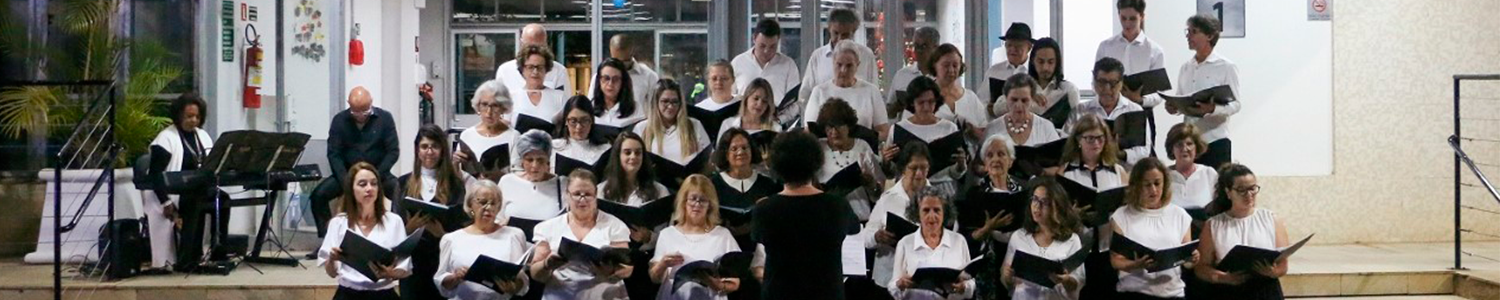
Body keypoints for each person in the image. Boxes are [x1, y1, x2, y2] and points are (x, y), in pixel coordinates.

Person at [752, 131, 860, 300]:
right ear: (815, 163)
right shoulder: (837, 205)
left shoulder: (765, 209)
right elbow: (854, 229)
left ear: (777, 165)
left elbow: (758, 236)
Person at [311, 86, 402, 251]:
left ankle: (394, 238)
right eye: (355, 112)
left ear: (371, 103)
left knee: (398, 190)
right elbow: (334, 154)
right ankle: (326, 240)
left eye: (365, 112)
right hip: (347, 174)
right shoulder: (339, 120)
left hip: (378, 173)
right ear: (349, 105)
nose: (360, 116)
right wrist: (346, 180)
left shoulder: (385, 118)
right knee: (318, 195)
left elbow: (393, 151)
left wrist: (375, 178)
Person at [1147, 14, 1242, 170]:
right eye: (1188, 31)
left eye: (1194, 32)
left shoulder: (1226, 66)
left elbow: (1236, 105)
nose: (1188, 36)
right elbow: (1182, 98)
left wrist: (1213, 109)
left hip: (1215, 140)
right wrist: (1174, 107)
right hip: (1190, 143)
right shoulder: (1186, 67)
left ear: (1210, 36)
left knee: (1216, 189)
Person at [142, 93, 224, 273]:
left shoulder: (202, 136)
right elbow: (155, 175)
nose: (193, 120)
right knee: (195, 201)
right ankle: (187, 260)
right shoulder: (165, 139)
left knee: (223, 199)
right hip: (171, 193)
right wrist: (166, 201)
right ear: (178, 116)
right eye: (189, 116)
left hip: (196, 188)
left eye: (197, 116)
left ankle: (219, 252)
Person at [529, 169, 634, 300]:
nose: (582, 199)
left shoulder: (614, 225)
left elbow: (627, 269)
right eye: (577, 194)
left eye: (588, 194)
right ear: (567, 195)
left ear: (596, 195)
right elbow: (535, 273)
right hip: (561, 294)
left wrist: (611, 271)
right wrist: (547, 264)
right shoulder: (548, 227)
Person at [396, 125, 470, 300]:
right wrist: (410, 228)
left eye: (435, 146)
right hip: (412, 263)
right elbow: (394, 229)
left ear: (442, 150)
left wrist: (442, 234)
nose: (429, 151)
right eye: (424, 146)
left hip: (442, 262)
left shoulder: (455, 185)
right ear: (417, 150)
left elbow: (461, 231)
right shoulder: (403, 183)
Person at [1193, 164, 1287, 300]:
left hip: (1265, 290)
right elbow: (1201, 268)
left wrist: (1273, 272)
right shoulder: (1213, 225)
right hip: (1229, 291)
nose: (1249, 195)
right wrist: (1223, 277)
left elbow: (1283, 264)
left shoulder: (1271, 219)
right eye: (1241, 190)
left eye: (1252, 189)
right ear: (1228, 192)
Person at [319, 162, 412, 300]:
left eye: (374, 184)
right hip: (348, 294)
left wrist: (389, 273)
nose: (369, 188)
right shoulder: (338, 223)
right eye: (362, 184)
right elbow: (332, 273)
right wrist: (332, 259)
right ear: (351, 189)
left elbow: (405, 270)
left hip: (383, 294)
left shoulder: (393, 221)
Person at [1110, 158, 1198, 300]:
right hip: (1135, 293)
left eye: (1157, 183)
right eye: (1147, 185)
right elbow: (1116, 261)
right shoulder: (1122, 215)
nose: (1154, 190)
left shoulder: (1179, 214)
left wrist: (1192, 259)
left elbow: (1186, 260)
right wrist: (1136, 264)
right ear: (1137, 186)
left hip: (1172, 293)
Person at [433, 180, 533, 300]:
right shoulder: (452, 239)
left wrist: (512, 286)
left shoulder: (514, 235)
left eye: (494, 203)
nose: (488, 208)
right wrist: (456, 277)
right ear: (470, 205)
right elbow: (441, 281)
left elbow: (521, 280)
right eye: (483, 202)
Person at [650, 175, 744, 299]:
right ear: (684, 201)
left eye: (703, 200)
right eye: (693, 199)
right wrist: (663, 264)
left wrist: (718, 285)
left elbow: (735, 282)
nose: (697, 204)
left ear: (710, 205)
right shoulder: (668, 234)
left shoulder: (722, 235)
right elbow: (655, 278)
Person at [1097, 0, 1168, 156]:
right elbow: (1097, 80)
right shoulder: (1106, 46)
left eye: (1132, 18)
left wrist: (1140, 100)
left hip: (1140, 114)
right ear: (1118, 15)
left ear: (1142, 17)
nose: (1127, 23)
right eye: (1123, 18)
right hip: (1109, 111)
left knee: (1141, 161)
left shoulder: (1154, 50)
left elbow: (1159, 93)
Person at [1000, 176, 1087, 300]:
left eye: (1044, 202)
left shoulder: (1072, 240)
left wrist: (1065, 280)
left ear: (1057, 206)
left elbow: (1078, 282)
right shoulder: (1019, 237)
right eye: (1034, 199)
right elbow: (1006, 280)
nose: (1037, 206)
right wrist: (1007, 276)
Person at [861, 142, 934, 288]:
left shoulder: (937, 199)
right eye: (913, 168)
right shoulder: (888, 198)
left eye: (923, 168)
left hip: (922, 278)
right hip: (888, 275)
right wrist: (877, 236)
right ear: (903, 169)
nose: (919, 174)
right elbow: (865, 237)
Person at [888, 187, 976, 300]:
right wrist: (900, 284)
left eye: (937, 210)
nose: (932, 216)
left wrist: (964, 287)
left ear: (945, 212)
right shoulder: (905, 243)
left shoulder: (959, 241)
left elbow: (970, 283)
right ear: (917, 213)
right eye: (926, 210)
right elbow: (893, 287)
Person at [964, 135, 1024, 300]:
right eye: (990, 155)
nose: (996, 159)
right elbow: (965, 239)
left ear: (1011, 161)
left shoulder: (1024, 191)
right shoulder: (974, 195)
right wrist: (987, 229)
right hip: (988, 259)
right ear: (984, 164)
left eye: (1001, 154)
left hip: (1019, 257)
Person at [1069, 57, 1149, 168]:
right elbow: (1067, 143)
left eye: (1113, 83)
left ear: (1121, 84)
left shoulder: (1134, 110)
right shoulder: (1081, 111)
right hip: (1087, 170)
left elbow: (1144, 150)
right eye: (1102, 82)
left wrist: (1121, 154)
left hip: (1125, 172)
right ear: (1094, 81)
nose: (1107, 89)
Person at [633, 79, 712, 190]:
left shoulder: (694, 125)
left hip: (688, 189)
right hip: (654, 190)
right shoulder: (642, 128)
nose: (670, 106)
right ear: (656, 103)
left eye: (675, 102)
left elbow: (709, 160)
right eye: (665, 101)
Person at [803, 40, 892, 139]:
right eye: (839, 65)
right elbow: (809, 131)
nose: (843, 70)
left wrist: (866, 139)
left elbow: (884, 131)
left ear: (857, 65)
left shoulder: (871, 91)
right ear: (833, 62)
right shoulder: (819, 91)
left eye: (849, 66)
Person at [710, 129, 781, 250]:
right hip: (723, 248)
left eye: (745, 148)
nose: (740, 152)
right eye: (734, 149)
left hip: (761, 248)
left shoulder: (768, 184)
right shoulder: (713, 185)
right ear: (726, 154)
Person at [813, 99, 884, 221]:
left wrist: (871, 184)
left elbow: (878, 194)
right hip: (827, 218)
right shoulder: (817, 147)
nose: (834, 132)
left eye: (839, 125)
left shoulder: (862, 146)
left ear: (849, 126)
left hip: (860, 218)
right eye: (830, 127)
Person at [799, 8, 878, 103]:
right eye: (835, 33)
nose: (839, 39)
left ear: (854, 31)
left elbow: (874, 93)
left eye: (845, 35)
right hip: (824, 115)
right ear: (829, 28)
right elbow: (805, 94)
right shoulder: (817, 57)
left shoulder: (866, 55)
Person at [498, 130, 567, 230]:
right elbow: (497, 218)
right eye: (529, 160)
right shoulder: (507, 181)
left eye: (540, 160)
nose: (535, 165)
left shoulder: (561, 184)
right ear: (522, 161)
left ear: (548, 160)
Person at [731, 19, 801, 110]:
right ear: (754, 38)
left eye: (772, 47)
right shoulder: (738, 63)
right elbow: (729, 97)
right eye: (762, 46)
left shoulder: (788, 65)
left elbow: (795, 102)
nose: (766, 51)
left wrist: (780, 119)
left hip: (777, 120)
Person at [457, 80, 518, 180]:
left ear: (503, 108)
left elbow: (518, 175)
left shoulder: (513, 137)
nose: (489, 112)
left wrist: (498, 175)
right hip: (472, 191)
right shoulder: (467, 135)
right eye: (484, 105)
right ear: (478, 106)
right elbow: (459, 175)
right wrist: (455, 163)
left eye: (495, 106)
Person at [985, 74, 1062, 147]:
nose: (1019, 105)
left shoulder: (1046, 127)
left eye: (1024, 100)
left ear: (1032, 100)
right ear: (1006, 99)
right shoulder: (993, 128)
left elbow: (1057, 157)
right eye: (1014, 100)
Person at [510, 44, 570, 133]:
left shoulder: (560, 97)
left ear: (546, 69)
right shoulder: (511, 98)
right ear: (522, 69)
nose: (535, 72)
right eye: (530, 67)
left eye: (539, 67)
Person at [496, 24, 572, 94]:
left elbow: (565, 102)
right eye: (529, 46)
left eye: (538, 47)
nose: (533, 51)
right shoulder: (505, 70)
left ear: (545, 44)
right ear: (521, 43)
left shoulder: (558, 71)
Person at [588, 34, 660, 108]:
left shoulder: (649, 76)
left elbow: (655, 108)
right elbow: (591, 107)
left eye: (624, 62)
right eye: (615, 61)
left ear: (632, 52)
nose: (619, 66)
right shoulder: (600, 77)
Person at [1165, 123, 1216, 222]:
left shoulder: (1209, 173)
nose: (1185, 149)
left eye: (1189, 144)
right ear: (1172, 149)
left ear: (1197, 147)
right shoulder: (1163, 176)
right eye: (1179, 144)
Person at [1026, 38, 1081, 130]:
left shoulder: (1069, 90)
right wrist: (1027, 96)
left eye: (1050, 62)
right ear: (1032, 61)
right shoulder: (1022, 88)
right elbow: (998, 109)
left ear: (1057, 63)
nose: (1045, 67)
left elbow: (1076, 125)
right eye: (1041, 62)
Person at [553, 95, 613, 176]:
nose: (579, 127)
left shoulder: (605, 149)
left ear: (591, 121)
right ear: (566, 121)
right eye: (573, 121)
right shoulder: (554, 147)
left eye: (584, 121)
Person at [986, 22, 1034, 110]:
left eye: (1018, 46)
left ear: (1029, 47)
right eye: (1009, 45)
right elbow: (982, 100)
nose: (1012, 50)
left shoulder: (1034, 72)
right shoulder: (994, 71)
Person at [888, 27, 940, 107]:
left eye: (923, 46)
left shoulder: (946, 76)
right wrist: (898, 105)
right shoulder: (901, 75)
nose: (918, 51)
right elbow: (889, 112)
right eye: (916, 46)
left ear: (935, 48)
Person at [592, 58, 648, 130]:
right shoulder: (590, 107)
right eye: (606, 78)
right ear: (599, 80)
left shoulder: (636, 109)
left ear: (623, 82)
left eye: (615, 79)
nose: (610, 84)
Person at [696, 60, 740, 141]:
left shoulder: (742, 106)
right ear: (708, 81)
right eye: (714, 78)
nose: (719, 82)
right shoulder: (699, 109)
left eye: (724, 78)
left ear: (733, 80)